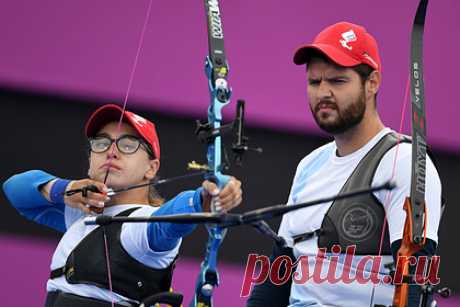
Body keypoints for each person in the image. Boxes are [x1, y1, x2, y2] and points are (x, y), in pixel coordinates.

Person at [246, 22, 441, 307]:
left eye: (337, 81)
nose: (323, 92)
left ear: (372, 83)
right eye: (315, 82)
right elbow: (278, 277)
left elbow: (414, 284)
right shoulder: (309, 165)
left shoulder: (402, 162)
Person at [3, 104, 243, 307]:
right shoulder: (82, 214)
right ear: (90, 162)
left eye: (128, 145)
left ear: (151, 168)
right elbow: (15, 189)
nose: (111, 152)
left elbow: (169, 221)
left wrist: (204, 198)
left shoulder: (141, 228)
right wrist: (64, 190)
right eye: (101, 143)